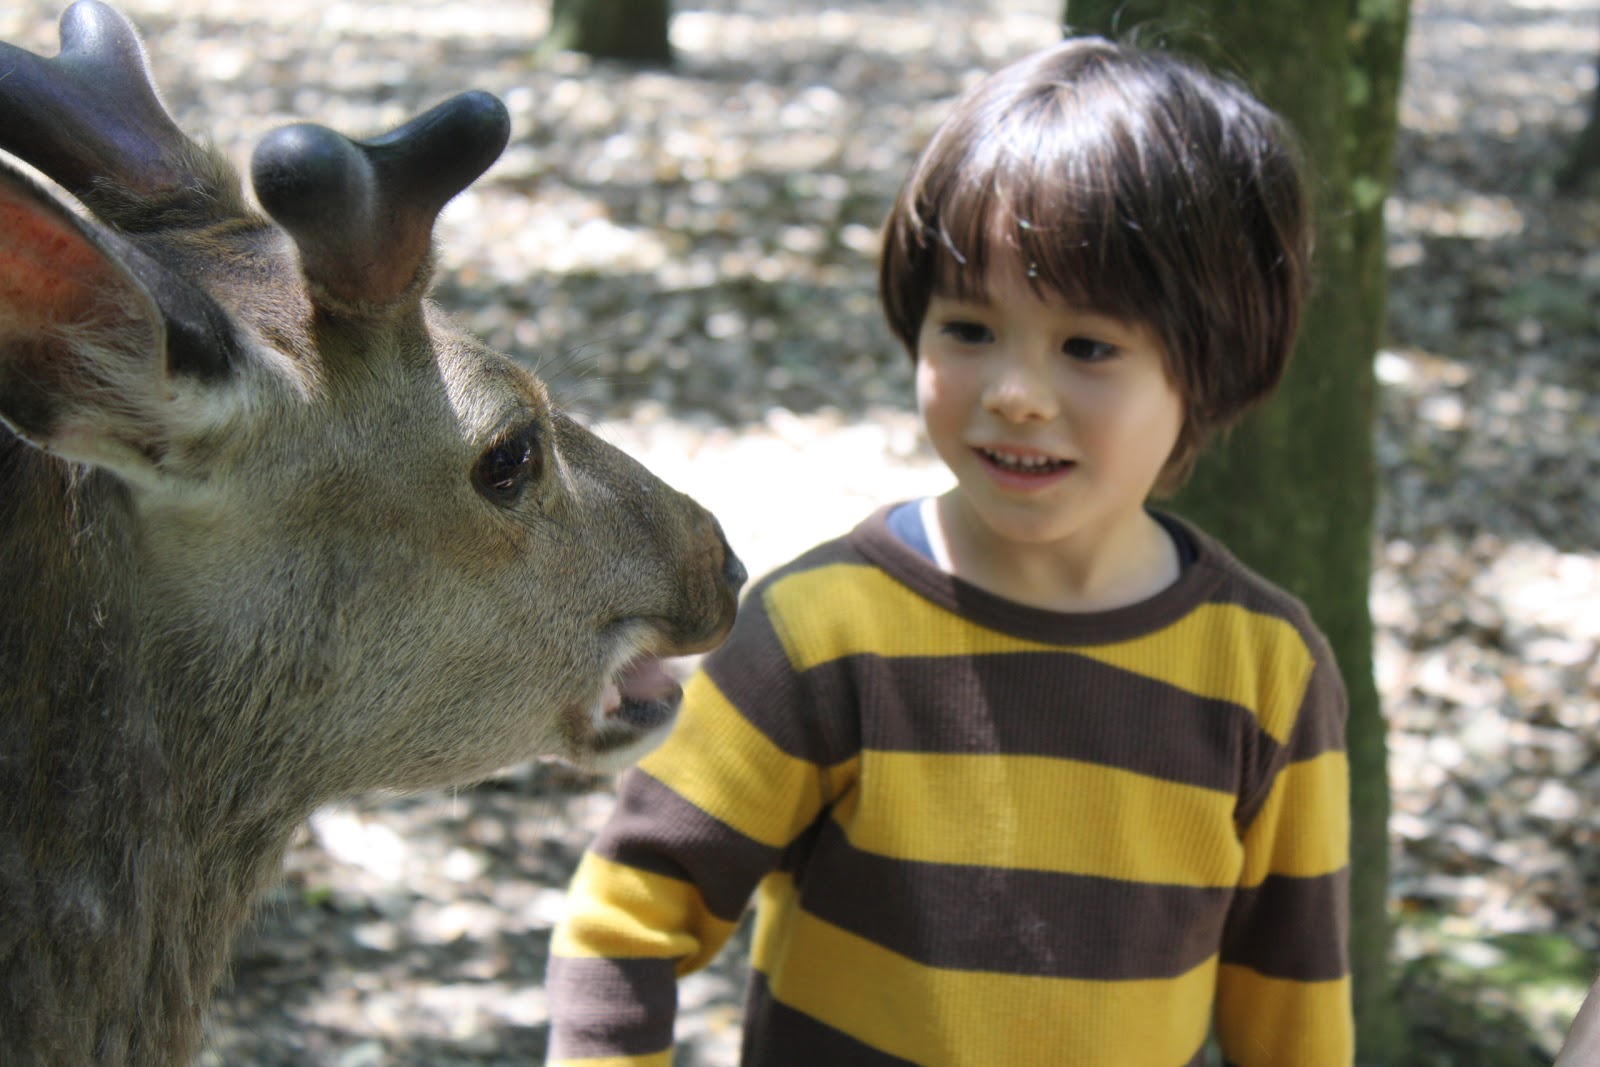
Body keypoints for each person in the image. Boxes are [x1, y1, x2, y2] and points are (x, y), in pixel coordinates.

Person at [546, 34, 1351, 1067]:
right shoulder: (820, 636)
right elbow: (629, 921)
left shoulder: (1266, 677)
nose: (1013, 389)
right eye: (968, 328)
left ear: (1212, 366)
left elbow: (1293, 1024)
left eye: (1087, 346)